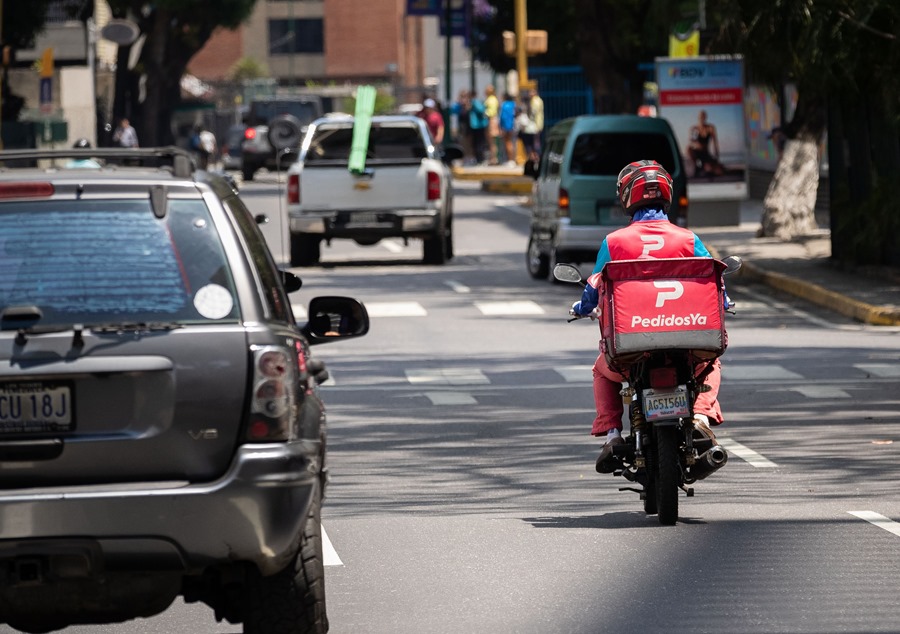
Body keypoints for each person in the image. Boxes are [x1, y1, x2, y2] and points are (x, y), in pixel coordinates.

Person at [569, 160, 727, 474]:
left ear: (627, 197)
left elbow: (594, 287)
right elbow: (714, 281)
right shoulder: (687, 238)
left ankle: (613, 434)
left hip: (630, 344)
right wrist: (726, 300)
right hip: (687, 341)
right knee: (710, 364)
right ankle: (700, 417)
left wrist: (581, 308)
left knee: (602, 372)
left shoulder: (615, 242)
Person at [686, 110, 723, 177]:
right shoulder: (694, 128)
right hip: (696, 152)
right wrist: (697, 145)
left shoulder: (710, 128)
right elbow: (691, 142)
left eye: (703, 116)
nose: (701, 118)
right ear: (698, 117)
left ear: (705, 117)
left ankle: (703, 167)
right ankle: (695, 166)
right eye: (700, 116)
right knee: (688, 148)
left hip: (705, 153)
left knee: (712, 170)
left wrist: (717, 154)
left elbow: (715, 142)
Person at [468, 91, 489, 164]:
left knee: (479, 143)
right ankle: (478, 158)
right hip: (476, 125)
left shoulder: (474, 102)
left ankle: (480, 158)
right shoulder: (474, 102)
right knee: (477, 143)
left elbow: (481, 110)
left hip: (478, 125)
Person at [498, 92, 517, 165]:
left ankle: (510, 160)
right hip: (513, 126)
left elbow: (502, 117)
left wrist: (501, 127)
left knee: (507, 142)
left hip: (506, 126)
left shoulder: (504, 105)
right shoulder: (513, 104)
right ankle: (512, 159)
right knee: (512, 142)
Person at [483, 85, 500, 165]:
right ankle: (492, 158)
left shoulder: (491, 99)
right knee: (491, 142)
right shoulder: (491, 99)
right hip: (491, 120)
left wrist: (484, 113)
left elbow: (491, 112)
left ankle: (494, 159)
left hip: (491, 120)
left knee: (492, 142)